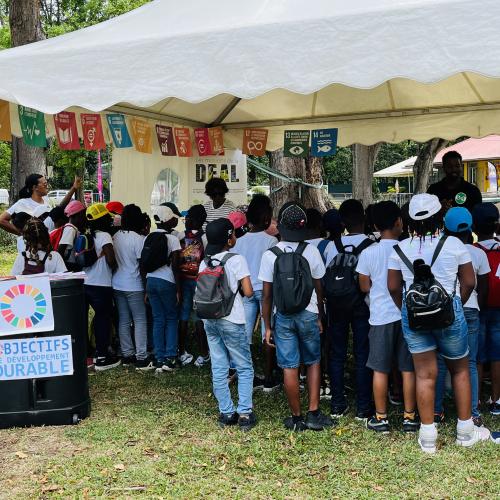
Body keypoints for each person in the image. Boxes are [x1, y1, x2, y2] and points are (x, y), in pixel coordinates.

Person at [387, 193, 489, 453]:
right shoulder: (454, 244)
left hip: (413, 315)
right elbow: (469, 282)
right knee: (461, 369)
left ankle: (428, 436)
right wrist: (454, 303)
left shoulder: (399, 248)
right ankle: (466, 431)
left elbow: (393, 287)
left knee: (424, 373)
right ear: (440, 218)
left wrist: (408, 309)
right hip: (450, 313)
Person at [259, 202, 332, 431]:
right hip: (309, 314)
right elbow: (319, 287)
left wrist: (268, 325)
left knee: (289, 366)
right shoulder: (310, 251)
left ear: (280, 225)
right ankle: (313, 413)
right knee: (312, 362)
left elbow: (267, 295)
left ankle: (296, 418)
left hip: (283, 316)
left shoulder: (270, 255)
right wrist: (320, 315)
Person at [356, 201, 418, 433]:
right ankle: (409, 416)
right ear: (399, 222)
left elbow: (363, 286)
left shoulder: (369, 252)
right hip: (406, 315)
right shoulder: (407, 249)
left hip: (380, 316)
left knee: (380, 369)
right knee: (408, 368)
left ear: (373, 225)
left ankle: (381, 417)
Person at [434, 207, 490, 428]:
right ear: (471, 228)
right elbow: (481, 286)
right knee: (470, 363)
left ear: (446, 227)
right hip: (471, 309)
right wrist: (477, 306)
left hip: (445, 309)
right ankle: (472, 413)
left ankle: (436, 411)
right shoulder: (478, 253)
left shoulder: (442, 249)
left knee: (438, 362)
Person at [199, 218, 256, 431]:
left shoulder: (205, 262)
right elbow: (249, 291)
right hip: (232, 319)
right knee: (244, 366)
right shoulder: (236, 259)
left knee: (219, 365)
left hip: (209, 319)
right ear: (229, 240)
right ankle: (244, 413)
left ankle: (226, 411)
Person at [323, 199, 374, 420]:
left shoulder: (331, 246)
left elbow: (324, 276)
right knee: (363, 353)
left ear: (342, 221)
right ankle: (363, 407)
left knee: (337, 354)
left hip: (336, 305)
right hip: (362, 304)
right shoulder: (372, 245)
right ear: (363, 217)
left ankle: (337, 404)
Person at [234, 194, 279, 392]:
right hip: (267, 291)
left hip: (246, 291)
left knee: (244, 335)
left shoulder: (239, 241)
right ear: (267, 219)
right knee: (267, 333)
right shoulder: (271, 242)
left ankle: (246, 373)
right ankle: (268, 377)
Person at [112, 204, 152, 371]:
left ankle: (127, 354)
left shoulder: (115, 237)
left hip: (117, 283)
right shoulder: (139, 239)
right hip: (134, 284)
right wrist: (146, 287)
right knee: (140, 320)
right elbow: (141, 266)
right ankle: (141, 357)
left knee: (123, 320)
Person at [144, 205, 182, 373]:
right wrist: (178, 289)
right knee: (172, 318)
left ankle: (159, 358)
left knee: (158, 319)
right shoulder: (172, 239)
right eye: (174, 217)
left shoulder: (149, 237)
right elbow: (175, 266)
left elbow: (143, 263)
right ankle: (170, 357)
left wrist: (146, 288)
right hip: (167, 282)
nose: (176, 220)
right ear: (168, 219)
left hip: (151, 281)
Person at [84, 203, 120, 371]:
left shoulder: (85, 234)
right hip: (101, 284)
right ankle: (102, 356)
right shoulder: (104, 235)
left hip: (85, 282)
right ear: (102, 220)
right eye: (107, 218)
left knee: (85, 320)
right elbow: (111, 261)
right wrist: (116, 267)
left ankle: (87, 354)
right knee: (103, 318)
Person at [472, 202, 500, 416]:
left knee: (479, 356)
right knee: (497, 354)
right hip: (499, 308)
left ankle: (478, 399)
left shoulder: (473, 251)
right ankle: (496, 399)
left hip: (479, 307)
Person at [178, 204, 210, 367]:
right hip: (199, 281)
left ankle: (181, 350)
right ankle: (204, 353)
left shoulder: (180, 236)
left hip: (183, 280)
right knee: (199, 318)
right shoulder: (205, 238)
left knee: (183, 315)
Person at [0, 174, 81, 235]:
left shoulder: (46, 199)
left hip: (49, 240)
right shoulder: (22, 203)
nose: (47, 186)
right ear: (35, 187)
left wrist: (74, 188)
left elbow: (58, 211)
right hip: (35, 243)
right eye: (44, 184)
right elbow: (1, 220)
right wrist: (22, 234)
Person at [57, 200, 87, 271]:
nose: (84, 217)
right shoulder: (70, 229)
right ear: (79, 214)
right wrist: (63, 269)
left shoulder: (74, 229)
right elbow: (61, 249)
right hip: (69, 266)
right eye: (83, 214)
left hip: (71, 265)